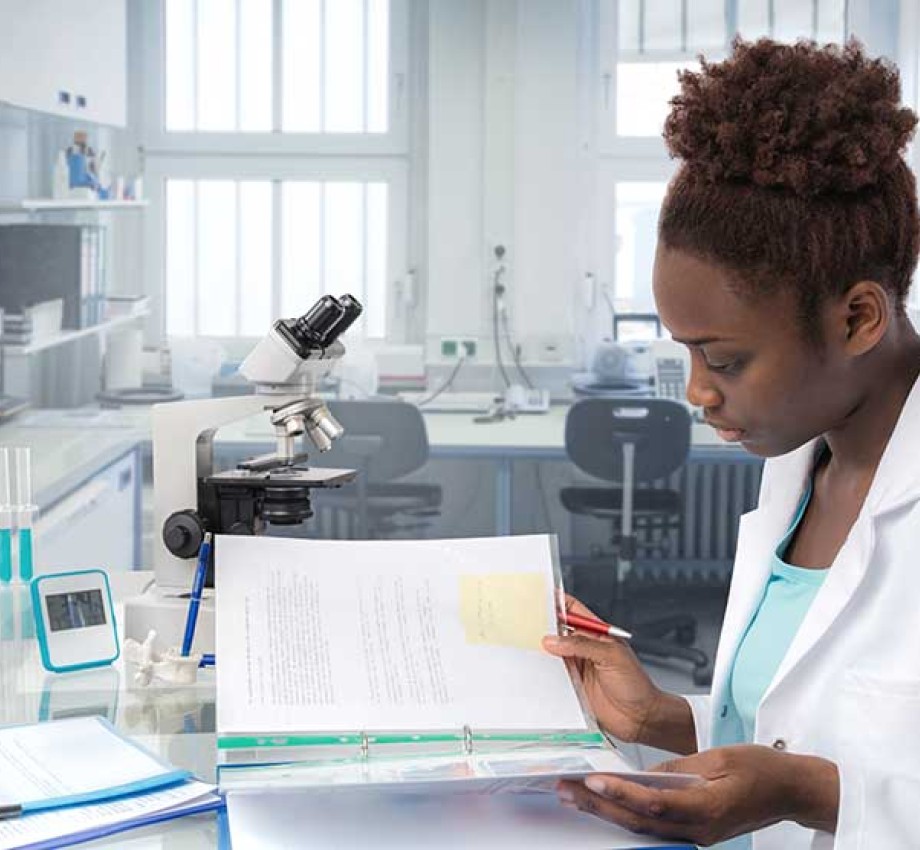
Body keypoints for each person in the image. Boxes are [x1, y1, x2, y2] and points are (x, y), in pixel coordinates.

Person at [543, 37, 920, 849]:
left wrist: (811, 795)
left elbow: (815, 776)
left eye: (725, 358)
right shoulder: (796, 464)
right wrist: (661, 719)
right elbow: (787, 726)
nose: (697, 391)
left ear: (857, 318)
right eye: (684, 351)